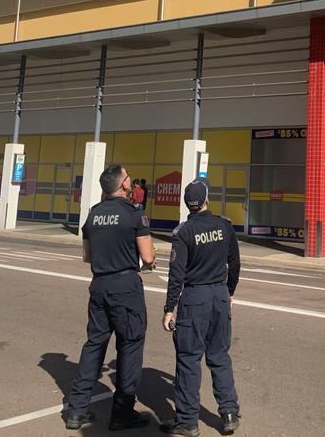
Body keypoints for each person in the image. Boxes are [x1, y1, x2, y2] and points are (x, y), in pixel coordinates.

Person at [63, 164, 156, 432]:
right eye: (128, 177)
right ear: (124, 185)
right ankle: (122, 413)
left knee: (95, 344)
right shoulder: (134, 214)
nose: (130, 182)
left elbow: (87, 257)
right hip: (125, 286)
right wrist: (152, 260)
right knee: (130, 345)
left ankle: (77, 410)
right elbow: (148, 257)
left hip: (99, 284)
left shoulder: (93, 215)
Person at [161, 179, 241, 437]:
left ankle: (187, 421)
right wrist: (228, 292)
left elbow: (176, 274)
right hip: (218, 295)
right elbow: (235, 264)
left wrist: (169, 308)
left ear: (188, 204)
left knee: (188, 359)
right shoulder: (224, 226)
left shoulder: (183, 232)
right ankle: (228, 413)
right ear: (207, 200)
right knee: (219, 356)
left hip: (195, 298)